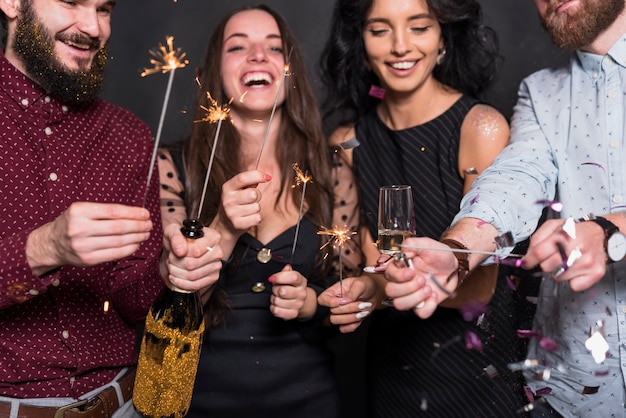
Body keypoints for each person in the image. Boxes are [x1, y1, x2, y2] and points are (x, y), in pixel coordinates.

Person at [384, 0, 626, 416]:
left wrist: (608, 231)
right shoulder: (540, 92)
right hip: (568, 394)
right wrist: (457, 252)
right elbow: (513, 181)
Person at [0, 1, 223, 418]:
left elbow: (132, 302)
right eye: (71, 1)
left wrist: (169, 270)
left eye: (103, 9)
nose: (92, 27)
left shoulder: (131, 137)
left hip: (122, 405)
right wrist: (42, 248)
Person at [317, 0, 531, 416]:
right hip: (394, 373)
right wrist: (362, 291)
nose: (400, 46)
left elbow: (480, 286)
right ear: (360, 42)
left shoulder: (481, 127)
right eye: (380, 30)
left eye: (418, 27)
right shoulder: (347, 144)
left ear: (443, 39)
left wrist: (380, 288)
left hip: (480, 375)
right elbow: (374, 267)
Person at [157, 4, 340, 418]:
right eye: (238, 47)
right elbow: (172, 302)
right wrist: (222, 229)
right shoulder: (174, 165)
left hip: (310, 400)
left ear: (289, 69)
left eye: (274, 48)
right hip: (199, 400)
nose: (258, 55)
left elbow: (349, 300)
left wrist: (310, 301)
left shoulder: (331, 168)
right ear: (215, 70)